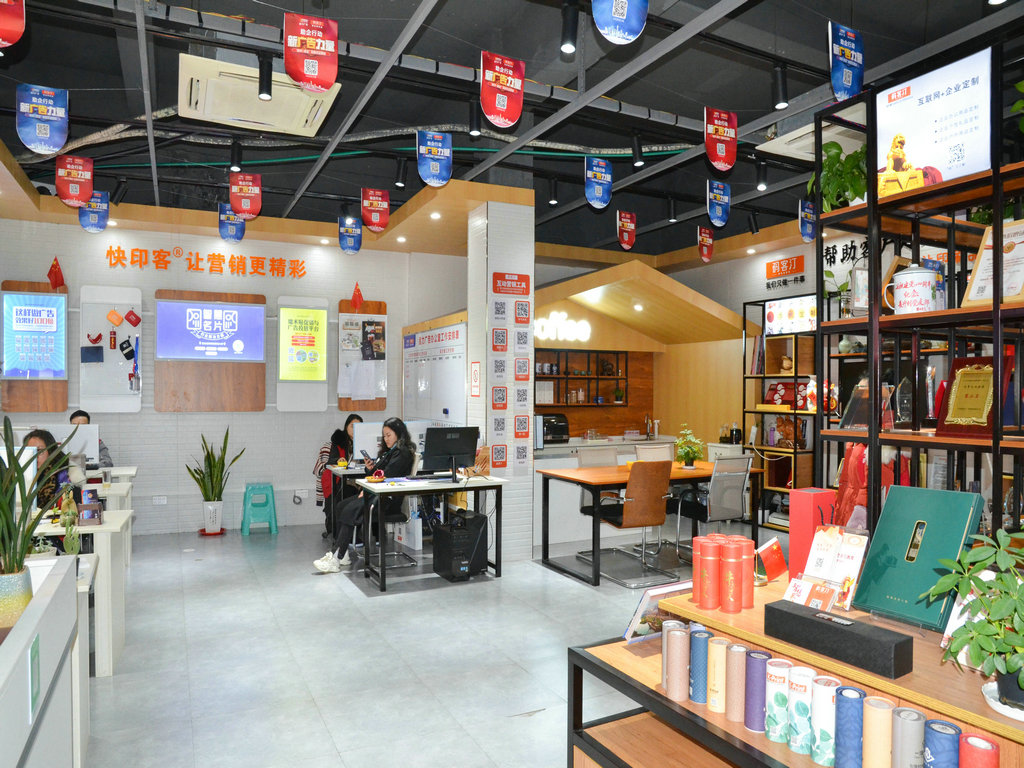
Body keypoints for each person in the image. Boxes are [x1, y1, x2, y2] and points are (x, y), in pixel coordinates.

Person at [314, 417, 415, 573]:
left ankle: (335, 558)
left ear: (399, 433)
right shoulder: (391, 452)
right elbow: (379, 474)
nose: (386, 439)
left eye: (389, 435)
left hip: (386, 500)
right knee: (341, 506)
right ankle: (343, 554)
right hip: (376, 494)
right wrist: (370, 469)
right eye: (384, 436)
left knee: (350, 510)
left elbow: (386, 476)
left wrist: (367, 488)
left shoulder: (403, 453)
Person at [312, 414, 362, 538]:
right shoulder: (339, 441)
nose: (355, 429)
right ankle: (339, 532)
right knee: (344, 494)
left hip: (358, 479)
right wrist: (339, 460)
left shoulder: (364, 442)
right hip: (341, 480)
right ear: (346, 426)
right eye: (352, 426)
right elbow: (331, 460)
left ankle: (357, 532)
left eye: (359, 426)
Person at [22, 429, 77, 511]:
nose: (34, 456)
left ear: (51, 452)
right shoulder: (21, 477)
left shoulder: (63, 476)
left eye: (39, 451)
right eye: (30, 451)